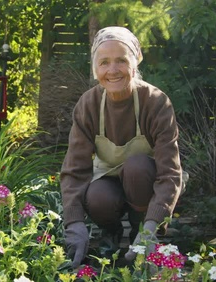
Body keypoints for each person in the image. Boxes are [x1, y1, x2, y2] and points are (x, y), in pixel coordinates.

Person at [60, 26, 184, 269]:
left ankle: (142, 233)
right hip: (108, 179)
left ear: (134, 63)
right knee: (97, 197)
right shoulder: (89, 105)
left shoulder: (156, 102)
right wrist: (74, 224)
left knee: (137, 166)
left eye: (121, 61)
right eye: (104, 62)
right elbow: (75, 169)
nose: (112, 70)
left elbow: (170, 173)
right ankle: (113, 235)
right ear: (95, 69)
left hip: (145, 182)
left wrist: (152, 226)